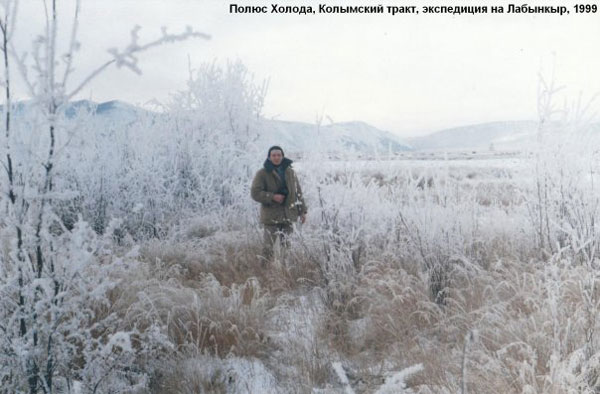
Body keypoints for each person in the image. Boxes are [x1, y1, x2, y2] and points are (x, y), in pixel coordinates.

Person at [251, 146, 307, 260]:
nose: (276, 157)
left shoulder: (290, 172)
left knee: (286, 247)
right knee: (268, 248)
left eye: (279, 155)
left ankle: (283, 272)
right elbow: (255, 193)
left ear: (282, 156)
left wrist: (303, 211)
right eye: (274, 155)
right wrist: (272, 197)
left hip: (288, 215)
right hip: (271, 217)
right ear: (269, 157)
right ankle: (264, 272)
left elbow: (298, 192)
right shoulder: (262, 173)